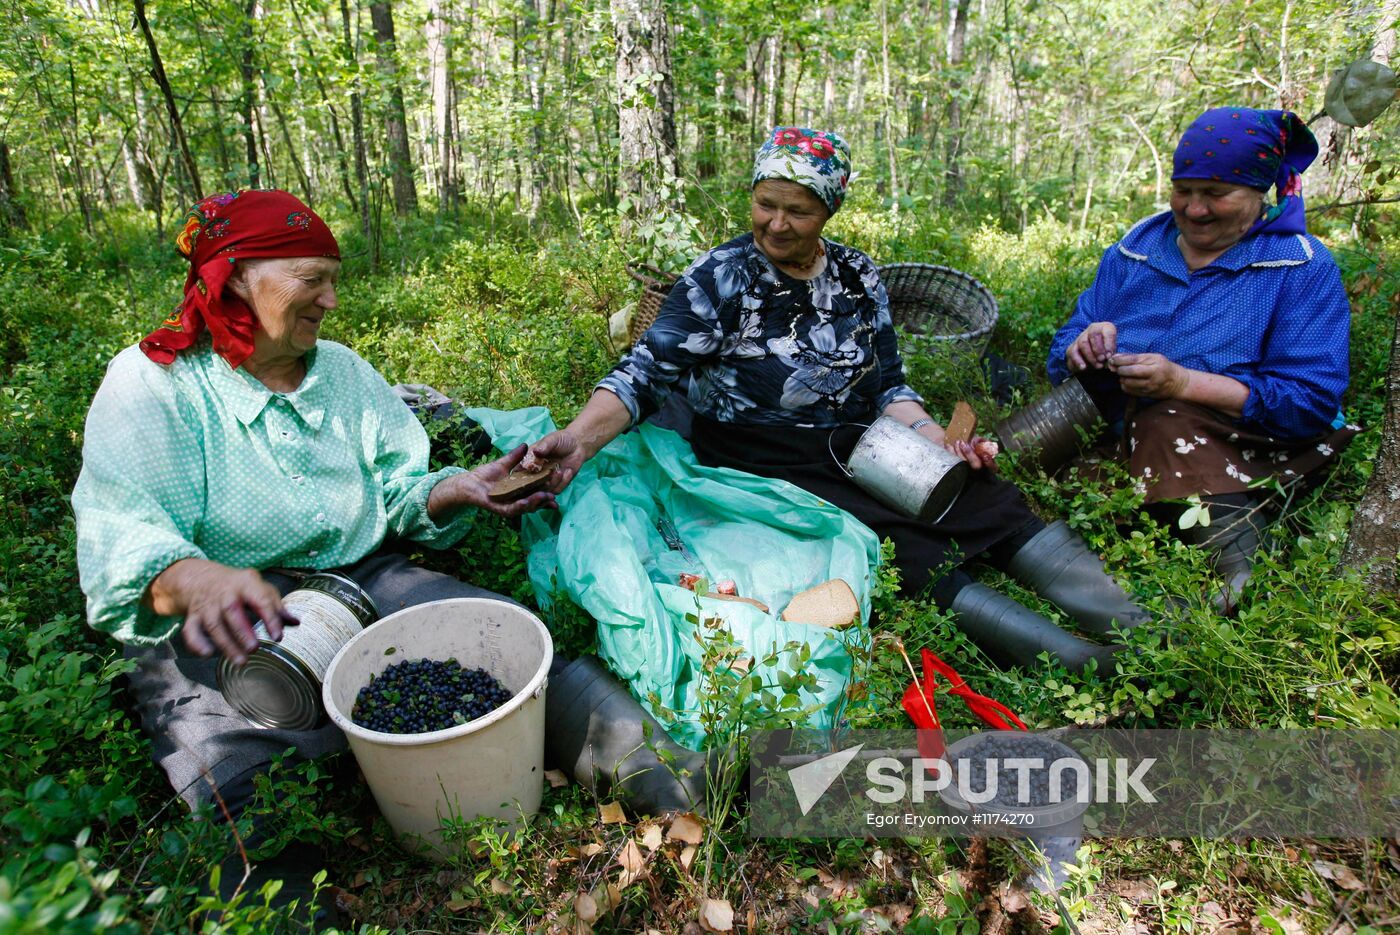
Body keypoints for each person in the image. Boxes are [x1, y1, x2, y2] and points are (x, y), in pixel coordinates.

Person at [71, 190, 555, 907]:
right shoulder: (153, 384)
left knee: (509, 648)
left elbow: (396, 488)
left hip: (362, 581)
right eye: (312, 278)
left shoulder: (345, 374)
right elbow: (123, 534)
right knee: (235, 774)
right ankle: (292, 906)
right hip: (227, 613)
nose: (331, 299)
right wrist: (199, 580)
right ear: (236, 275)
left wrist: (454, 489)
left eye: (335, 278)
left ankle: (768, 787)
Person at [524, 126, 1152, 676]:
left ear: (829, 208)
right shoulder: (721, 278)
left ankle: (1136, 626)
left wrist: (936, 441)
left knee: (984, 498)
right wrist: (577, 440)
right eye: (765, 204)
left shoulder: (857, 275)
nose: (775, 223)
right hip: (760, 455)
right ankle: (1071, 658)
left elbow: (889, 386)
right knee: (890, 543)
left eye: (796, 211)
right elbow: (642, 374)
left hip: (860, 441)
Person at [1046, 108, 1355, 609]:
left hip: (1241, 431)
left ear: (1259, 192)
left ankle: (1242, 567)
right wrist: (1081, 346)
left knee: (1169, 425)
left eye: (1215, 194)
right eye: (1183, 190)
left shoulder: (1300, 267)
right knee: (1040, 452)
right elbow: (1064, 345)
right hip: (1125, 420)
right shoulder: (1137, 249)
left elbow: (1309, 401)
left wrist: (1182, 384)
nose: (1194, 209)